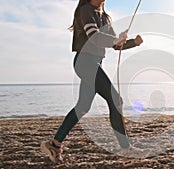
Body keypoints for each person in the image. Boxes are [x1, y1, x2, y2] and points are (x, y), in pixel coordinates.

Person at [40, 0, 143, 163]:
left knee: (82, 107)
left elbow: (115, 45)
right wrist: (116, 40)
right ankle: (126, 148)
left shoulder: (105, 17)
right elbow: (94, 37)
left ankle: (54, 144)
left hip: (95, 62)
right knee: (116, 100)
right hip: (85, 61)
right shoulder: (86, 10)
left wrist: (132, 43)